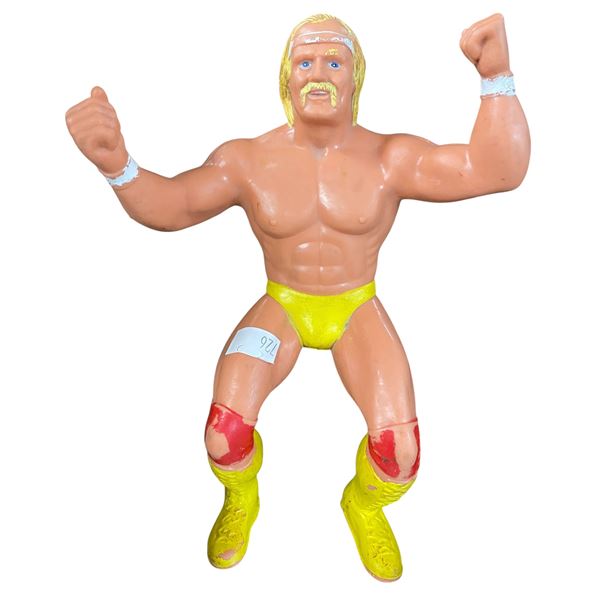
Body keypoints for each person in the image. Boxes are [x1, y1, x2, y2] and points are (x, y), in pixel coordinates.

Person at [65, 13, 530, 581]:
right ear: (285, 78)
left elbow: (494, 170)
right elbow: (174, 206)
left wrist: (496, 77)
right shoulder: (247, 159)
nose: (318, 74)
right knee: (222, 436)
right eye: (304, 62)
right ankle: (241, 497)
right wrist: (117, 165)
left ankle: (363, 506)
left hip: (354, 305)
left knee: (400, 455)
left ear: (356, 77)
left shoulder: (389, 158)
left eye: (333, 61)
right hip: (283, 303)